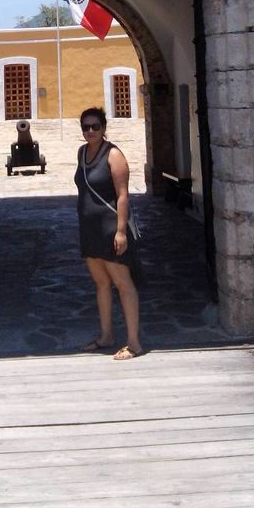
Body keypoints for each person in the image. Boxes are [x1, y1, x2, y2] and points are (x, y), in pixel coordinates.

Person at [74, 107, 143, 360]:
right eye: (85, 127)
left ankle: (134, 343)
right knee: (101, 283)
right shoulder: (82, 153)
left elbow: (122, 195)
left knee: (123, 284)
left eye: (95, 126)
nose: (90, 131)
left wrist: (121, 231)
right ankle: (106, 336)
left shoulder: (113, 155)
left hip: (110, 228)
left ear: (104, 127)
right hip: (89, 229)